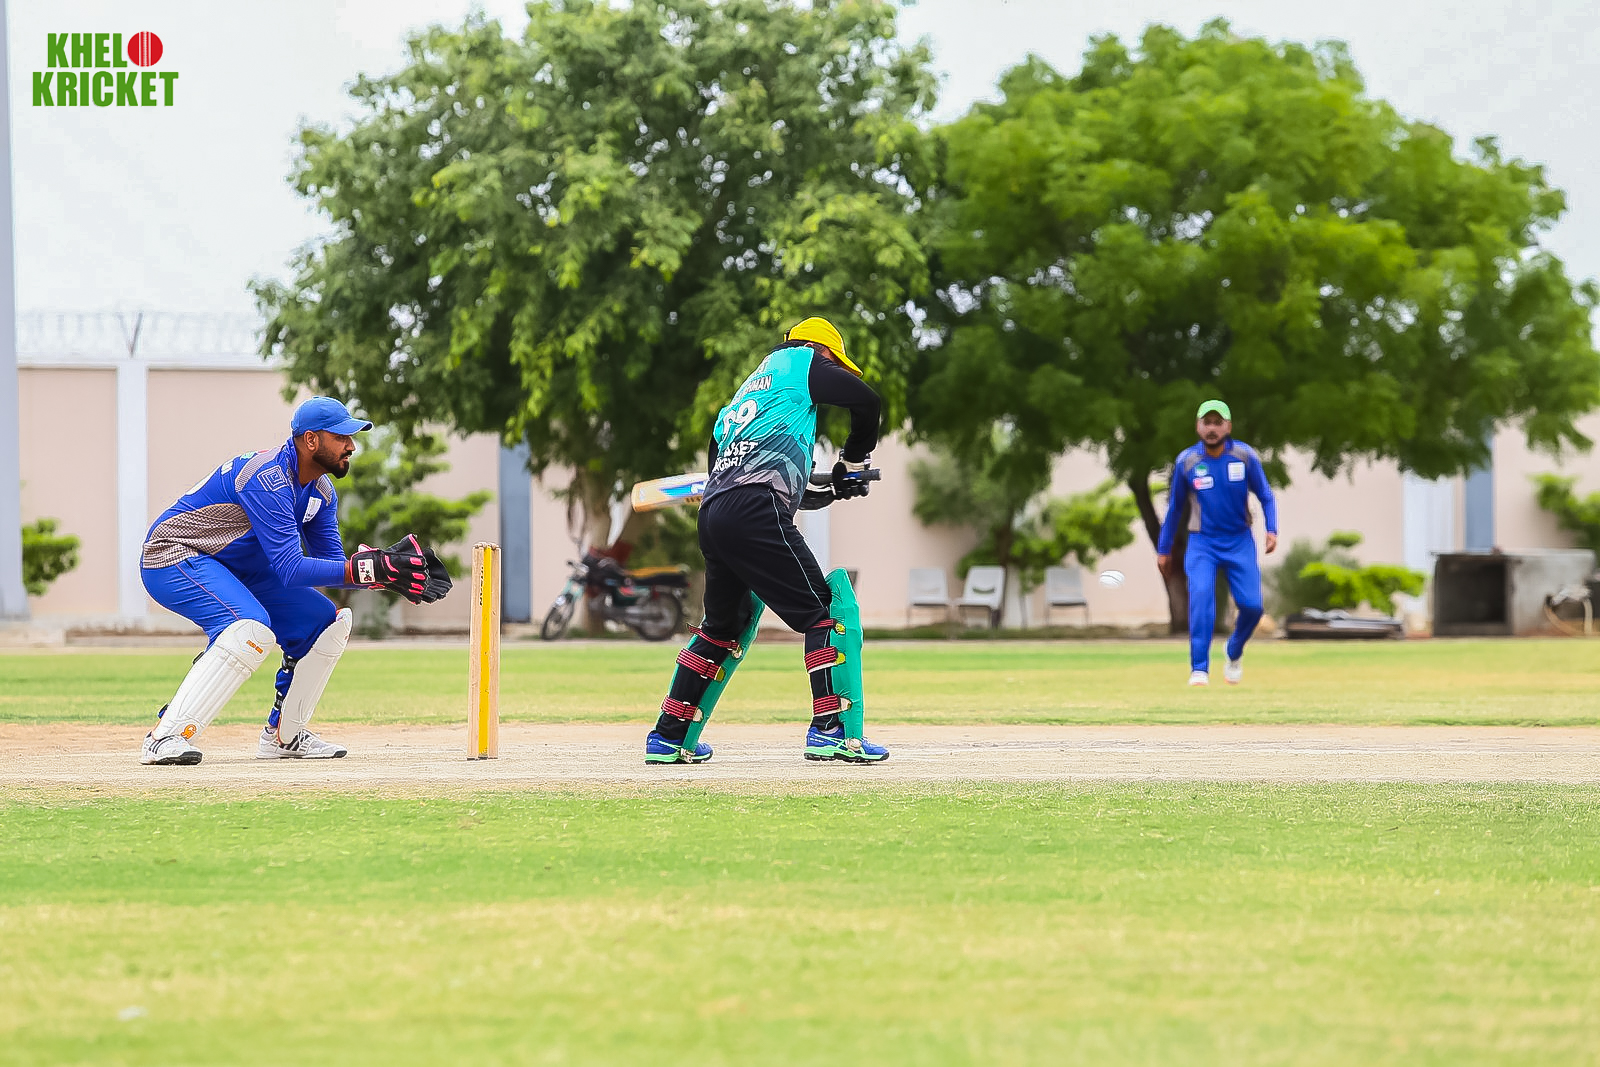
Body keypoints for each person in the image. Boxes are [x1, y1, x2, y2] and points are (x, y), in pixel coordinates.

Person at [137, 396, 449, 765]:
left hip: (240, 570)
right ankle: (164, 737)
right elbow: (290, 568)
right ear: (311, 440)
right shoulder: (267, 479)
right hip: (175, 555)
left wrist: (380, 573)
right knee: (248, 627)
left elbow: (333, 566)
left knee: (325, 621)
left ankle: (283, 737)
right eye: (341, 437)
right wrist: (366, 570)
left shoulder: (321, 491)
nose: (351, 445)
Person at [645, 316, 887, 764]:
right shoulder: (803, 361)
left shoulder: (746, 397)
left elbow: (738, 476)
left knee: (722, 629)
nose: (834, 372)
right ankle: (832, 731)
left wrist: (832, 488)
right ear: (824, 351)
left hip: (716, 515)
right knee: (825, 614)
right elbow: (866, 401)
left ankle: (668, 737)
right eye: (835, 363)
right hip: (755, 511)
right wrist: (853, 461)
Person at [1156, 399, 1278, 686]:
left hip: (1239, 541)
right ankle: (1199, 668)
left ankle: (1234, 649)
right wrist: (1164, 548)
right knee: (1201, 600)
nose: (1212, 428)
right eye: (1206, 422)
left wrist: (1271, 529)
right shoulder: (1187, 461)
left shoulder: (1244, 456)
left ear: (1228, 426)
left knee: (1252, 606)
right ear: (1198, 426)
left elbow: (1266, 495)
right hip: (1202, 543)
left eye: (1217, 422)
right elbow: (1175, 509)